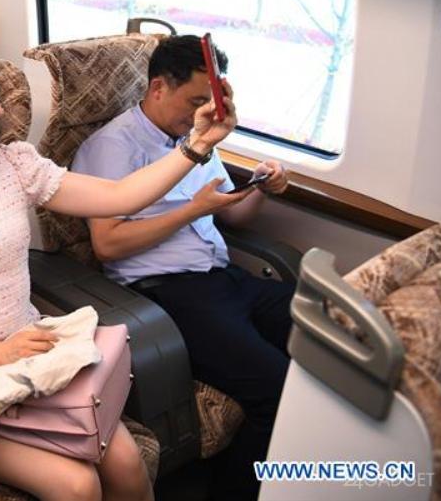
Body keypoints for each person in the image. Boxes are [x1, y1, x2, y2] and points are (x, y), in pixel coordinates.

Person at [0, 38, 238, 501]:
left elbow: (119, 197)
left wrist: (197, 145)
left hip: (33, 357)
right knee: (77, 486)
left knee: (127, 463)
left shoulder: (13, 165)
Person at [71, 35, 291, 500]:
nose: (201, 114)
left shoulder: (196, 137)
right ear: (158, 88)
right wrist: (192, 209)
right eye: (194, 101)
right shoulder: (113, 146)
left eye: (209, 104)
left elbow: (233, 214)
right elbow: (107, 244)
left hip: (225, 278)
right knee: (278, 388)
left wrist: (262, 187)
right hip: (168, 294)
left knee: (329, 334)